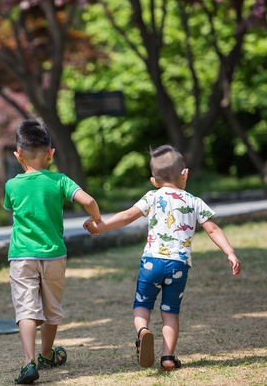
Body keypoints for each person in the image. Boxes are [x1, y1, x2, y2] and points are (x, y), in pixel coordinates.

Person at [83, 144, 241, 371]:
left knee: (142, 304)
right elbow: (213, 229)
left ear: (154, 181)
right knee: (170, 312)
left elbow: (127, 217)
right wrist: (230, 252)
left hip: (152, 262)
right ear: (185, 174)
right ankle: (168, 357)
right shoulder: (194, 201)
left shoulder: (152, 197)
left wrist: (101, 226)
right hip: (179, 265)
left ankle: (143, 331)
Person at [4, 118, 102, 384]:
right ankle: (47, 353)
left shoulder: (12, 185)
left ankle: (29, 363)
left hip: (22, 256)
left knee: (26, 310)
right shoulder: (59, 180)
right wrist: (97, 222)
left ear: (17, 155)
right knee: (50, 310)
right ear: (51, 153)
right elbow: (89, 200)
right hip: (54, 256)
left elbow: (12, 208)